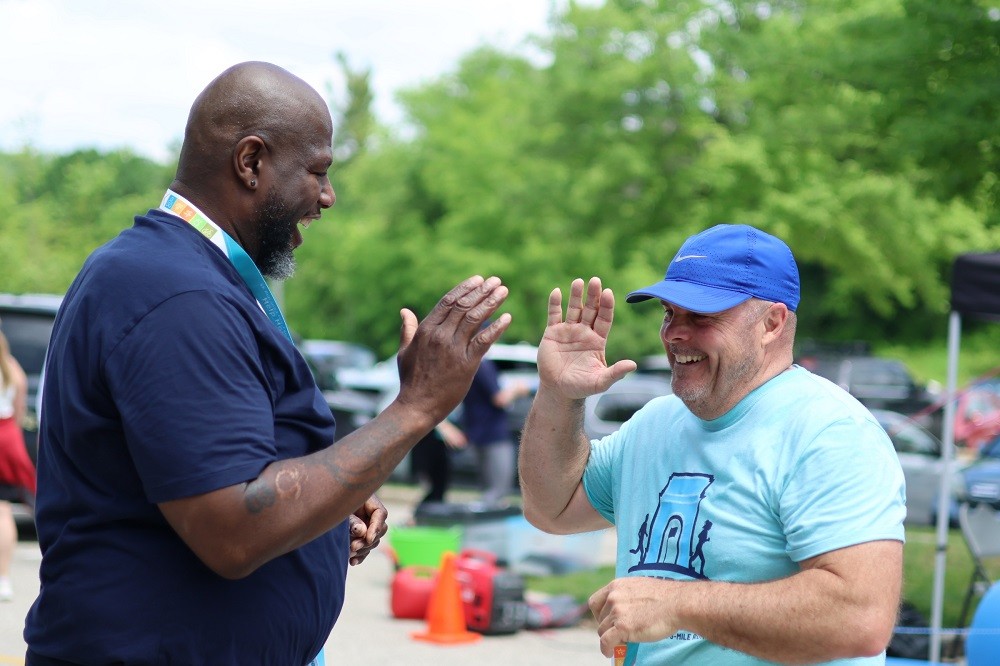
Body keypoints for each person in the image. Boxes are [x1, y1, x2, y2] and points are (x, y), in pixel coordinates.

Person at [24, 61, 512, 666]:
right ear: (251, 162)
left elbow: (224, 466)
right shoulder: (178, 296)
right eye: (318, 171)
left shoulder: (182, 276)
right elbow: (232, 531)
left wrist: (334, 498)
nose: (328, 197)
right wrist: (416, 408)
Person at [518, 223, 905, 665]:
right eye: (669, 313)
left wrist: (676, 605)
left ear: (772, 323)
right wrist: (559, 394)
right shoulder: (653, 424)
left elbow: (860, 619)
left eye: (701, 316)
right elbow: (552, 508)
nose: (674, 333)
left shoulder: (830, 432)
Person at [460, 353, 530, 507]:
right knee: (498, 490)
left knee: (487, 488)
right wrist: (517, 389)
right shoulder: (483, 365)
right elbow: (500, 399)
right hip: (493, 434)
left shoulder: (468, 365)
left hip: (477, 432)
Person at [0, 327, 36, 602]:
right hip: (7, 438)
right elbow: (20, 410)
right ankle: (3, 578)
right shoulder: (12, 370)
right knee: (4, 510)